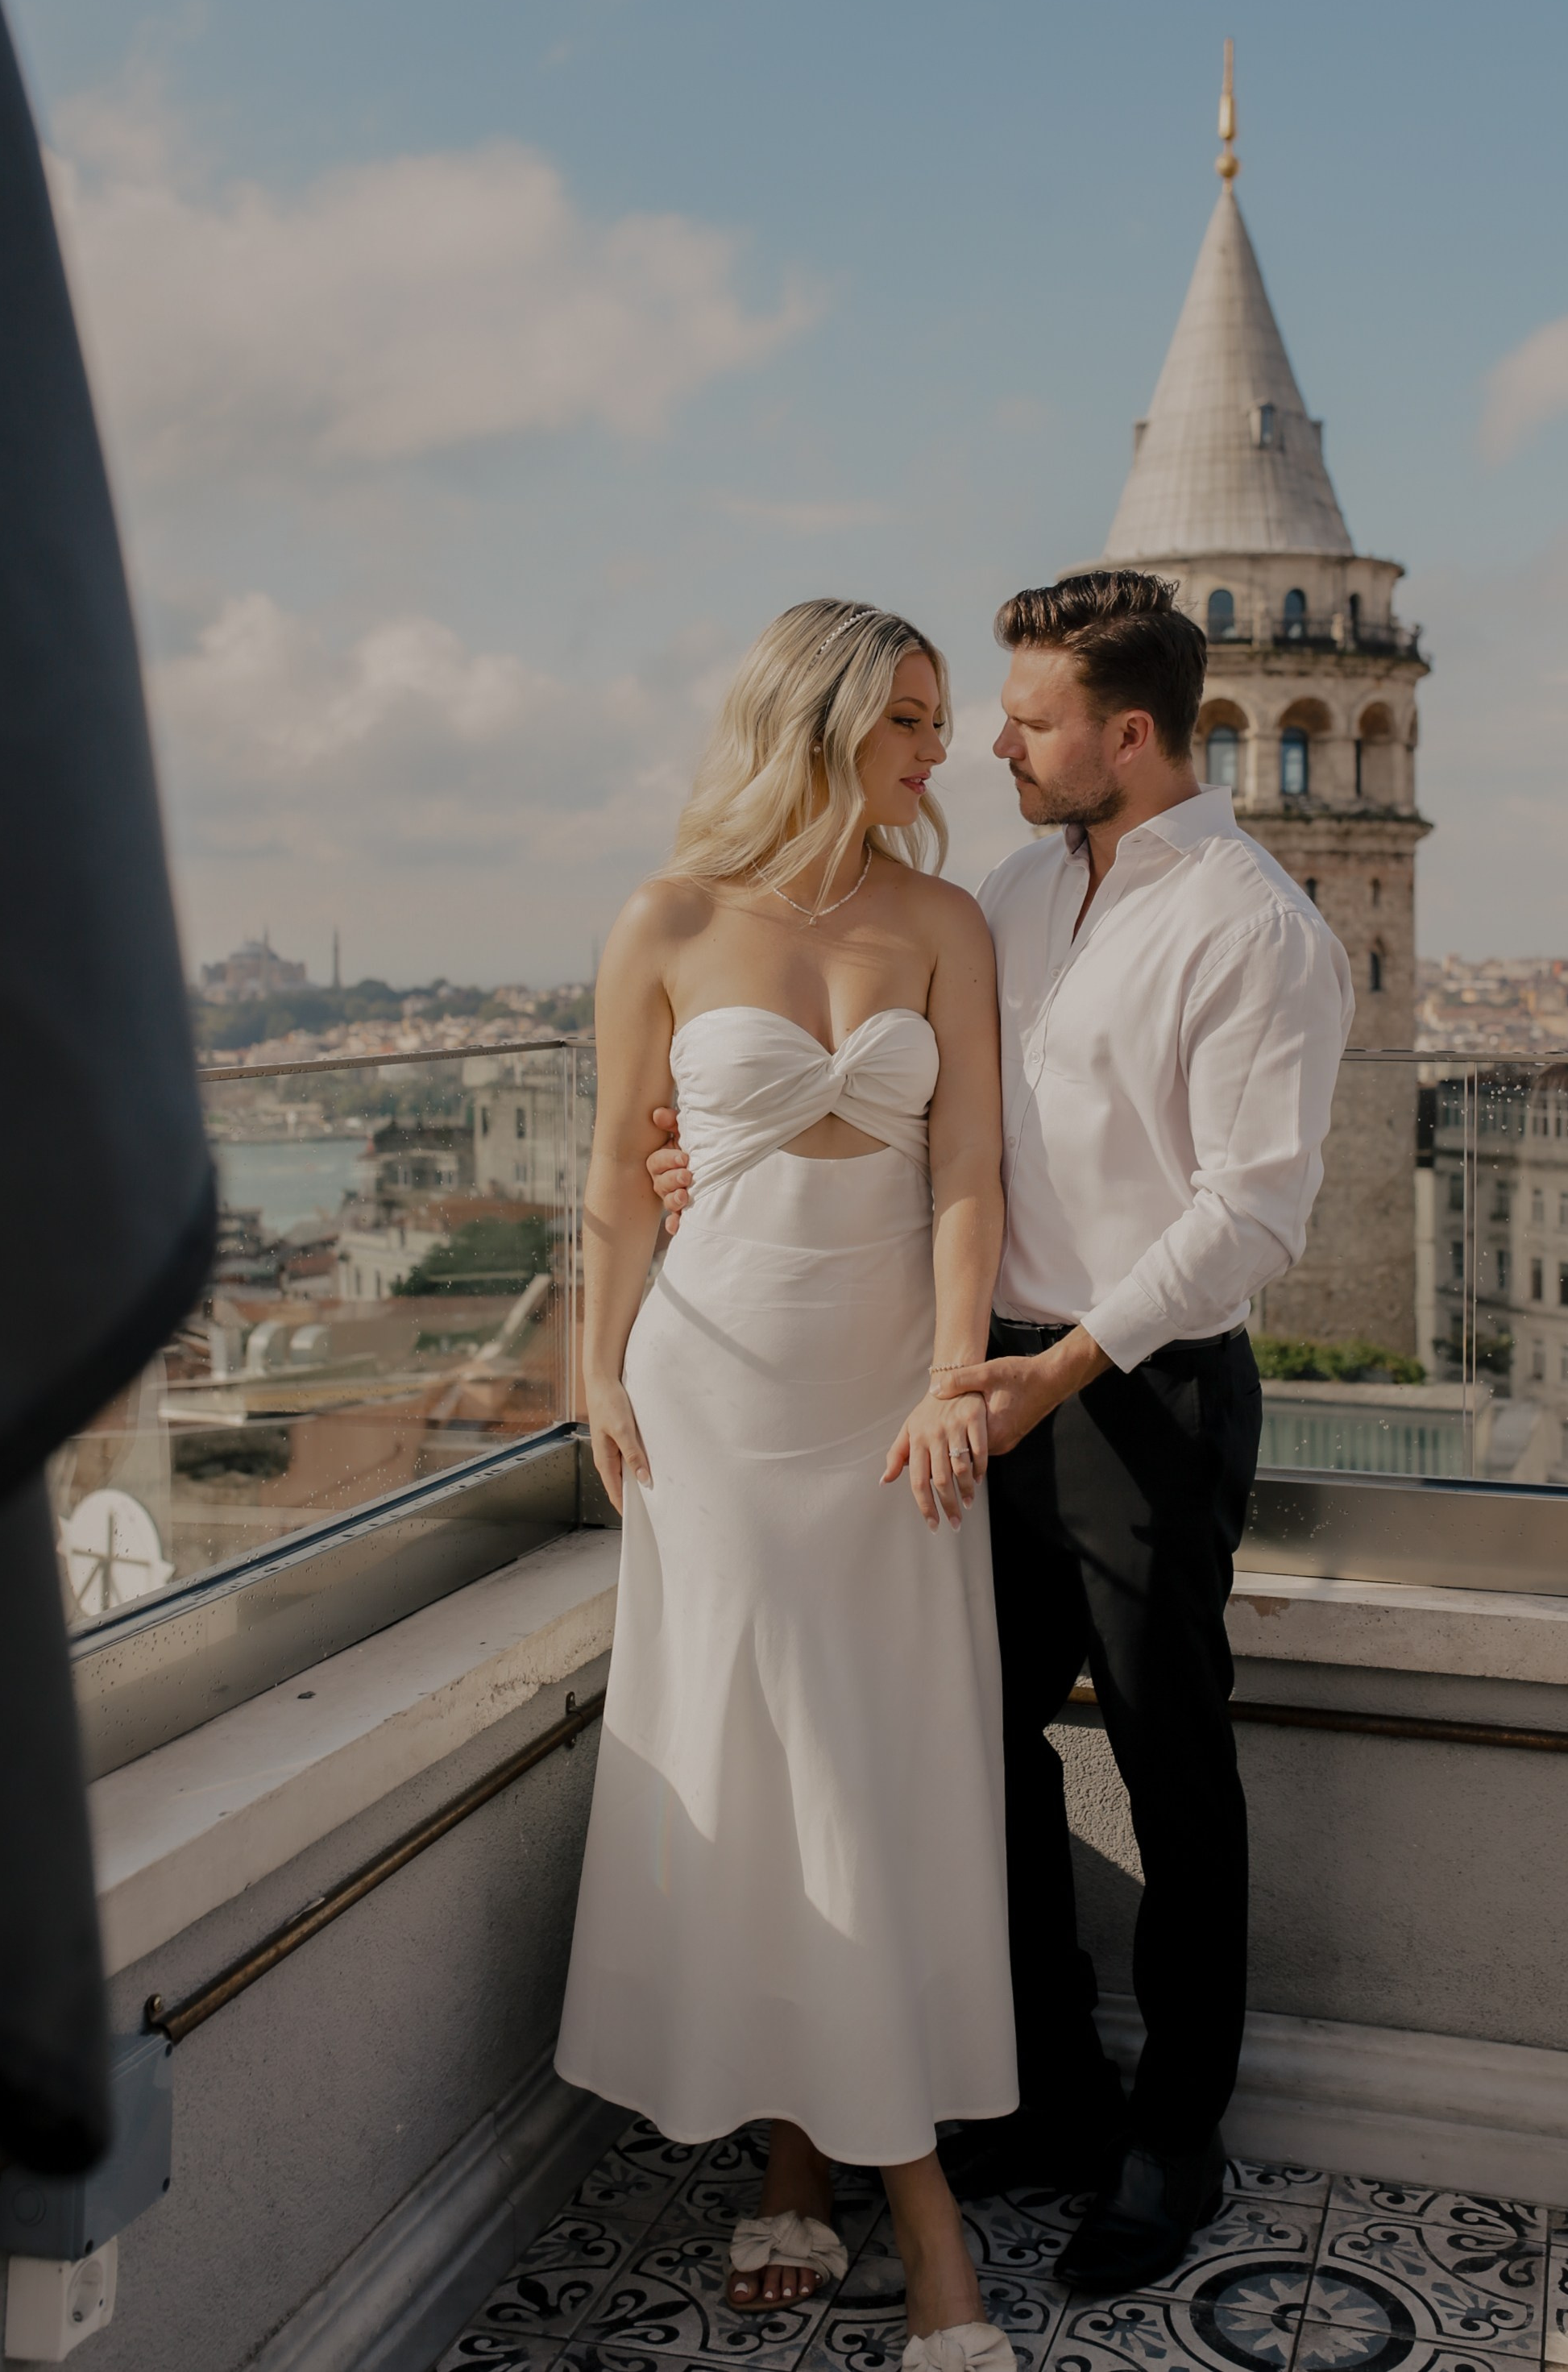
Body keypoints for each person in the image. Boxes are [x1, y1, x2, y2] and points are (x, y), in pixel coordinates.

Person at [650, 569, 1353, 2297]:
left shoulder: (1259, 926)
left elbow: (1252, 1213)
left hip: (1143, 1393)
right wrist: (711, 1172)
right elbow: (926, 1137)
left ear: (1128, 732)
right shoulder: (1008, 890)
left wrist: (1067, 1365)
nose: (992, 742)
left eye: (1029, 719)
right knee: (974, 1746)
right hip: (969, 1375)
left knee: (1173, 1772)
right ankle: (1041, 2093)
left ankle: (1167, 2144)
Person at [555, 599, 1019, 2372]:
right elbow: (613, 1176)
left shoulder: (942, 920)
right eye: (907, 718)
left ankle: (842, 2178)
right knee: (773, 1766)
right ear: (816, 727)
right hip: (712, 1394)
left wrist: (950, 1373)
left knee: (872, 1768)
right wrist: (597, 1368)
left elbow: (966, 1168)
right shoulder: (662, 919)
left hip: (889, 1400)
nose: (938, 748)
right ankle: (870, 2201)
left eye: (940, 714)